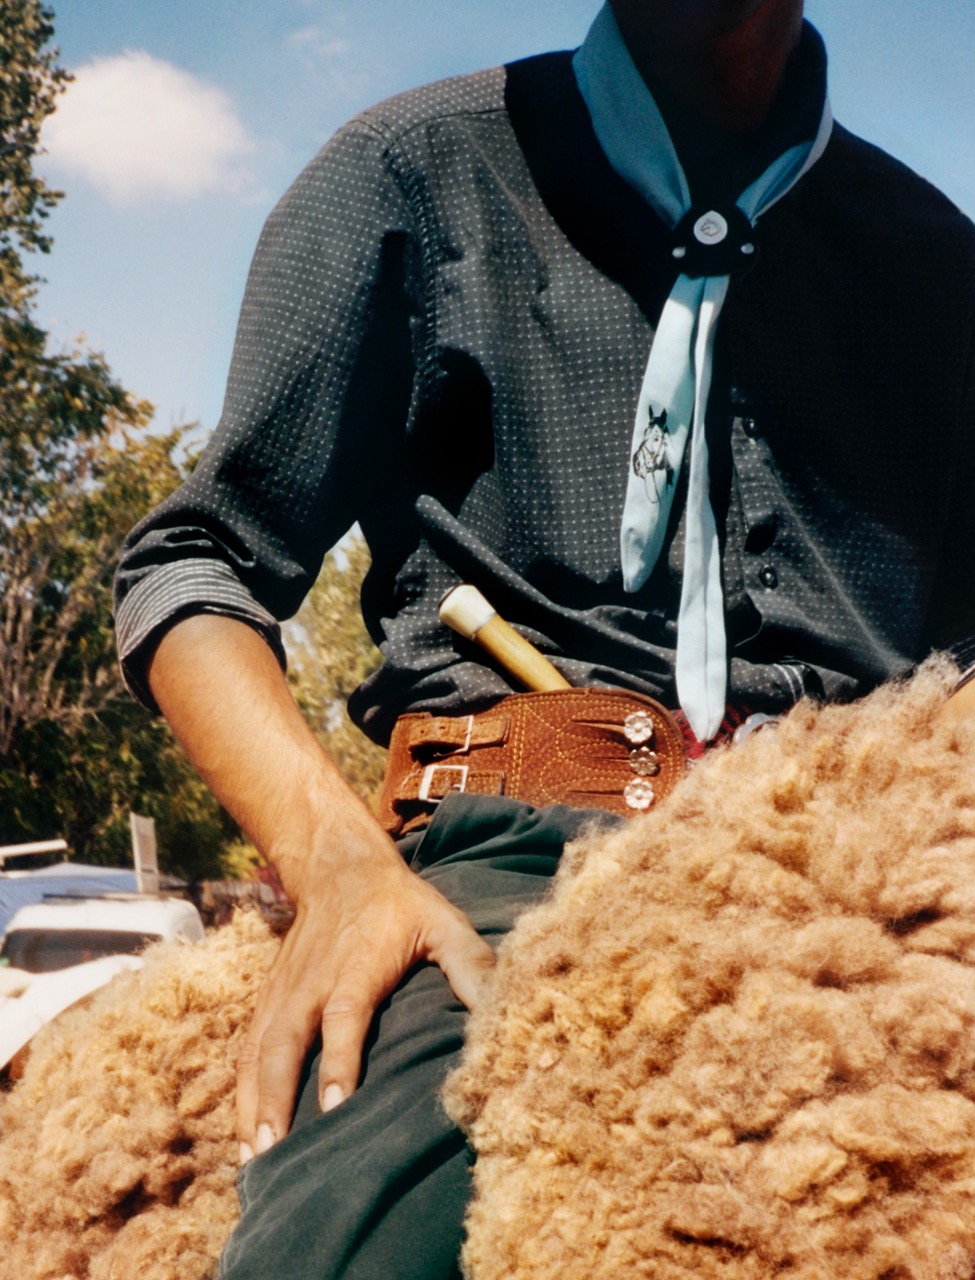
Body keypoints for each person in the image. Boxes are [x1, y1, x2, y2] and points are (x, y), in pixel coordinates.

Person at [114, 0, 975, 1275]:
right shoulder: (410, 172)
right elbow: (198, 562)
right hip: (519, 862)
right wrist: (341, 864)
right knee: (348, 1242)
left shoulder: (940, 269)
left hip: (890, 887)